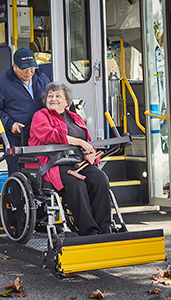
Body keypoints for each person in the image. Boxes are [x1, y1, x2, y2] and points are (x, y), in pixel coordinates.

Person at [28, 82, 112, 236]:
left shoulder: (75, 117)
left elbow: (87, 139)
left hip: (77, 162)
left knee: (100, 178)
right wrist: (79, 142)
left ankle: (105, 229)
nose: (53, 99)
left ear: (67, 101)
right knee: (76, 183)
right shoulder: (40, 115)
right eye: (50, 96)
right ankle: (89, 231)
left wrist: (89, 152)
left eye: (58, 96)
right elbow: (49, 135)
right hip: (52, 163)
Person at [0, 47, 50, 175]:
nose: (29, 72)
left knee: (42, 178)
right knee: (19, 177)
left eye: (32, 67)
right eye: (25, 68)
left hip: (41, 136)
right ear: (14, 66)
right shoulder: (0, 84)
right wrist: (10, 124)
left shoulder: (42, 77)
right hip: (18, 138)